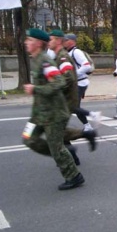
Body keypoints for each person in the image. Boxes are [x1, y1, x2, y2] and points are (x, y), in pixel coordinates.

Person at [22, 29, 85, 191]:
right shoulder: (36, 60)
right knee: (28, 139)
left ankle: (74, 176)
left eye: (29, 40)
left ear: (38, 43)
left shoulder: (45, 62)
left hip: (54, 113)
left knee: (56, 147)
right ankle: (64, 153)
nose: (26, 42)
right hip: (40, 114)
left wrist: (35, 89)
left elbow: (59, 83)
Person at [48, 29, 97, 164]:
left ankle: (87, 130)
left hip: (71, 93)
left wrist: (54, 88)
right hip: (67, 95)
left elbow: (71, 76)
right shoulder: (61, 55)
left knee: (57, 130)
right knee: (58, 130)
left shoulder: (69, 54)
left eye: (51, 39)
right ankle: (72, 157)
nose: (48, 42)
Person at [64, 33, 100, 131]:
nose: (64, 42)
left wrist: (74, 74)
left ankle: (92, 116)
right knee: (73, 106)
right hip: (76, 83)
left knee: (73, 106)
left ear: (71, 41)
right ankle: (88, 125)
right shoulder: (68, 52)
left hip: (80, 83)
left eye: (66, 40)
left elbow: (86, 66)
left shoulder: (76, 52)